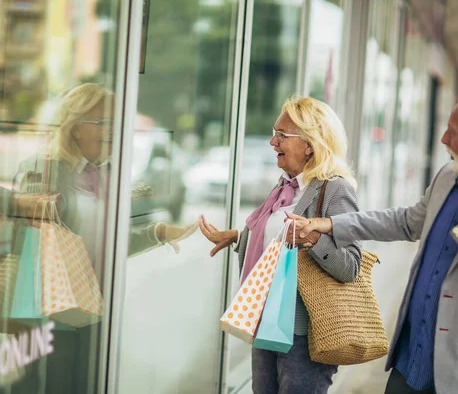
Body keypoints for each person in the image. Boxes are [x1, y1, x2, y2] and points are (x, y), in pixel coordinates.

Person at [288, 87, 458, 394]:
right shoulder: (448, 175)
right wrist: (330, 224)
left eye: (451, 132)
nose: (443, 139)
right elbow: (405, 221)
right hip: (409, 365)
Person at [8, 83, 195, 394]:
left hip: (93, 304)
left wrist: (158, 232)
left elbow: (110, 244)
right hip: (48, 308)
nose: (114, 131)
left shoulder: (109, 176)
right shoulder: (41, 169)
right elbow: (25, 245)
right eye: (104, 122)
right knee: (43, 385)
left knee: (86, 383)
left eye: (118, 122)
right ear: (75, 127)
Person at [199, 96, 362, 393]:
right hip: (266, 318)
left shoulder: (335, 189)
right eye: (275, 133)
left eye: (282, 135)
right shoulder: (285, 186)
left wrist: (312, 238)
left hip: (302, 332)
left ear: (310, 144)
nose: (273, 142)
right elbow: (277, 239)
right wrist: (237, 237)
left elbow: (351, 265)